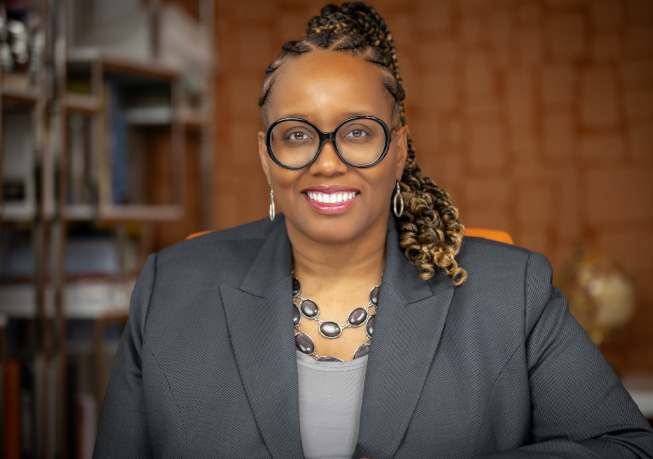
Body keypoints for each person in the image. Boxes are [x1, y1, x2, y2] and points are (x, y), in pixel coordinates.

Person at [93, 2, 653, 458]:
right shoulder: (171, 286)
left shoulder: (511, 292)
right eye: (295, 135)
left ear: (399, 148)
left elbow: (625, 447)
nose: (327, 162)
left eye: (357, 132)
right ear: (266, 156)